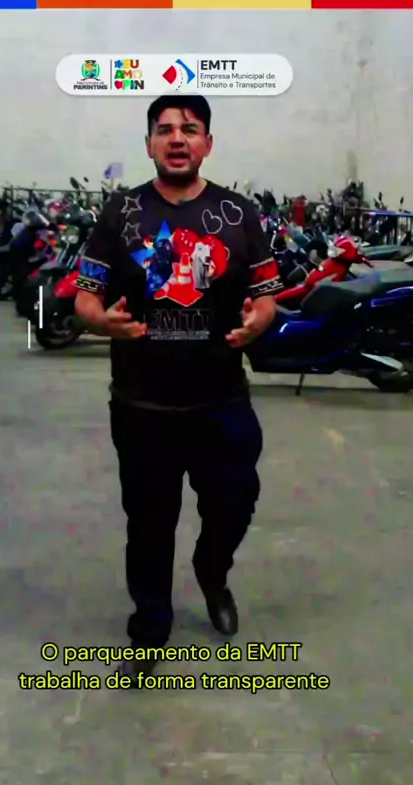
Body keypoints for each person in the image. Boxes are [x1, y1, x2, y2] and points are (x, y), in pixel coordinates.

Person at [75, 95, 283, 687]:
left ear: (207, 144)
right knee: (148, 523)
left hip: (221, 400)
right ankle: (150, 629)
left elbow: (266, 296)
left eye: (189, 129)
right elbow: (86, 296)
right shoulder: (121, 212)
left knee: (234, 502)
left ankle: (212, 571)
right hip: (143, 405)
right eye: (164, 129)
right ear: (149, 144)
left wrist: (260, 320)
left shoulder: (239, 213)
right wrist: (101, 321)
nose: (176, 138)